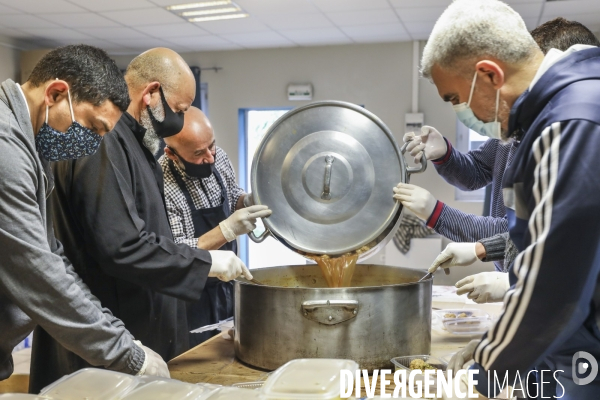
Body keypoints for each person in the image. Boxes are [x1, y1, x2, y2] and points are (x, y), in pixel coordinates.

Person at [32, 48, 250, 392]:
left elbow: (142, 233)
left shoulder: (135, 143)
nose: (178, 118)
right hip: (107, 342)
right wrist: (204, 260)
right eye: (178, 109)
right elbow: (121, 245)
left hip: (137, 328)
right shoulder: (105, 140)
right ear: (151, 94)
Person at [421, 0, 600, 398]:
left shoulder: (571, 122)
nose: (461, 111)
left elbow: (554, 283)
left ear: (488, 74)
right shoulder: (548, 122)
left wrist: (488, 365)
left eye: (454, 99)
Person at [0, 44, 169, 386]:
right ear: (56, 94)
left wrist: (121, 337)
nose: (93, 145)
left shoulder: (32, 145)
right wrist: (128, 355)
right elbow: (38, 273)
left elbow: (52, 254)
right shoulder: (6, 151)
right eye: (92, 127)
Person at [159, 107, 272, 345]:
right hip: (190, 297)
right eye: (199, 153)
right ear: (172, 154)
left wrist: (249, 201)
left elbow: (231, 194)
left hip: (226, 287)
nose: (210, 158)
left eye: (211, 145)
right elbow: (177, 250)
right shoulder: (160, 182)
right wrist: (226, 230)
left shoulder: (218, 156)